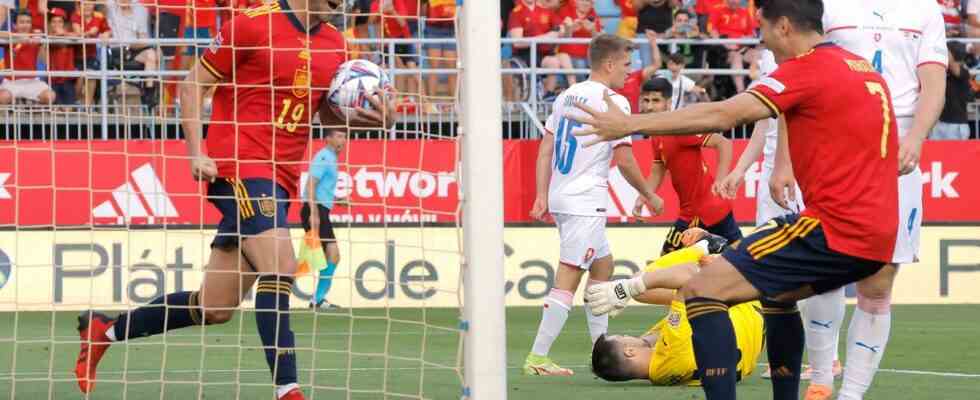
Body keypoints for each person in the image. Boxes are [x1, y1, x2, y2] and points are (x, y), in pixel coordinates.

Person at [574, 2, 904, 400]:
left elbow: (725, 114)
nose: (759, 43)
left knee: (701, 290)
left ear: (783, 26)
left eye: (762, 30)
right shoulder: (863, 69)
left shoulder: (807, 69)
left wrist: (630, 125)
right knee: (778, 296)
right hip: (880, 232)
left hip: (833, 227)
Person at [72, 0, 396, 399]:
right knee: (281, 264)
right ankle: (288, 390)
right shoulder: (252, 25)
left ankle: (106, 330)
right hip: (238, 164)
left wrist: (374, 118)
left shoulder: (334, 43)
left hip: (282, 179)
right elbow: (193, 84)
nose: (343, 5)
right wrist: (195, 151)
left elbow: (320, 115)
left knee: (215, 306)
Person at [802, 2, 947, 399]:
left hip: (897, 147)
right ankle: (819, 381)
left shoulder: (924, 11)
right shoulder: (828, 6)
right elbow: (803, 67)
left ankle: (852, 394)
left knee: (879, 282)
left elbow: (933, 82)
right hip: (833, 144)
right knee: (820, 266)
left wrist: (916, 137)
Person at [523, 33, 664, 376]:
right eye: (627, 65)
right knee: (568, 277)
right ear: (610, 64)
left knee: (602, 266)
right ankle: (538, 357)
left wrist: (542, 194)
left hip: (563, 195)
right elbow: (627, 162)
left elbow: (546, 148)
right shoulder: (614, 101)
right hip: (585, 200)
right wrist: (649, 194)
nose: (630, 73)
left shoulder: (567, 96)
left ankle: (600, 347)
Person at [591, 229, 765, 387]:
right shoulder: (672, 348)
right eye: (623, 336)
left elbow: (658, 338)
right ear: (629, 351)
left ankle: (708, 250)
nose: (628, 335)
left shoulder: (662, 370)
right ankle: (705, 246)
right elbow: (690, 276)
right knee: (641, 286)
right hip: (746, 299)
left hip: (748, 339)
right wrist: (628, 288)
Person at [631, 77, 739, 256]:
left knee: (665, 263)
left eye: (656, 100)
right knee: (737, 261)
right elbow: (658, 169)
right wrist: (643, 197)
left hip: (700, 213)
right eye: (646, 100)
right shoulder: (656, 132)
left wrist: (721, 180)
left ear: (669, 102)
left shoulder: (680, 128)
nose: (649, 106)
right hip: (708, 210)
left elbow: (724, 143)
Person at [302, 131, 349, 310]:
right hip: (315, 210)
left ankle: (318, 299)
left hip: (320, 209)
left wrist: (336, 200)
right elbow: (310, 185)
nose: (342, 140)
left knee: (328, 256)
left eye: (344, 136)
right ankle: (317, 299)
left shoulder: (331, 158)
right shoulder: (324, 156)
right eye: (337, 136)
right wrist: (313, 212)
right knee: (329, 256)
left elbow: (321, 189)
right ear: (327, 139)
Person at [0, 11, 56, 105]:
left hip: (32, 81)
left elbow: (44, 60)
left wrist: (42, 42)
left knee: (50, 96)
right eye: (22, 22)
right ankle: (23, 103)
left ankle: (25, 103)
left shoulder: (34, 37)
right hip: (11, 82)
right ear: (15, 25)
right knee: (3, 98)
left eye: (28, 22)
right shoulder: (9, 37)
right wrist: (16, 37)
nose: (25, 25)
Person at [70, 0, 111, 106]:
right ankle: (76, 102)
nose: (87, 6)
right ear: (79, 5)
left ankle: (87, 107)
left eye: (90, 3)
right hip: (76, 56)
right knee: (79, 78)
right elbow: (79, 33)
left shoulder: (99, 16)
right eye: (84, 3)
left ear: (94, 4)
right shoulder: (75, 15)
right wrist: (91, 32)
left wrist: (105, 34)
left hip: (91, 56)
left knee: (91, 74)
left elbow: (108, 30)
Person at [931, 41, 971, 140]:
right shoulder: (942, 71)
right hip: (938, 123)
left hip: (956, 125)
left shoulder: (963, 71)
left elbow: (954, 68)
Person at [48, 7, 77, 106]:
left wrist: (64, 33)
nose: (56, 24)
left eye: (59, 21)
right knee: (54, 111)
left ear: (64, 24)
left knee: (69, 110)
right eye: (53, 21)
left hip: (67, 80)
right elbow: (50, 39)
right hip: (52, 80)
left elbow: (78, 36)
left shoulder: (69, 35)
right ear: (50, 24)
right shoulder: (48, 36)